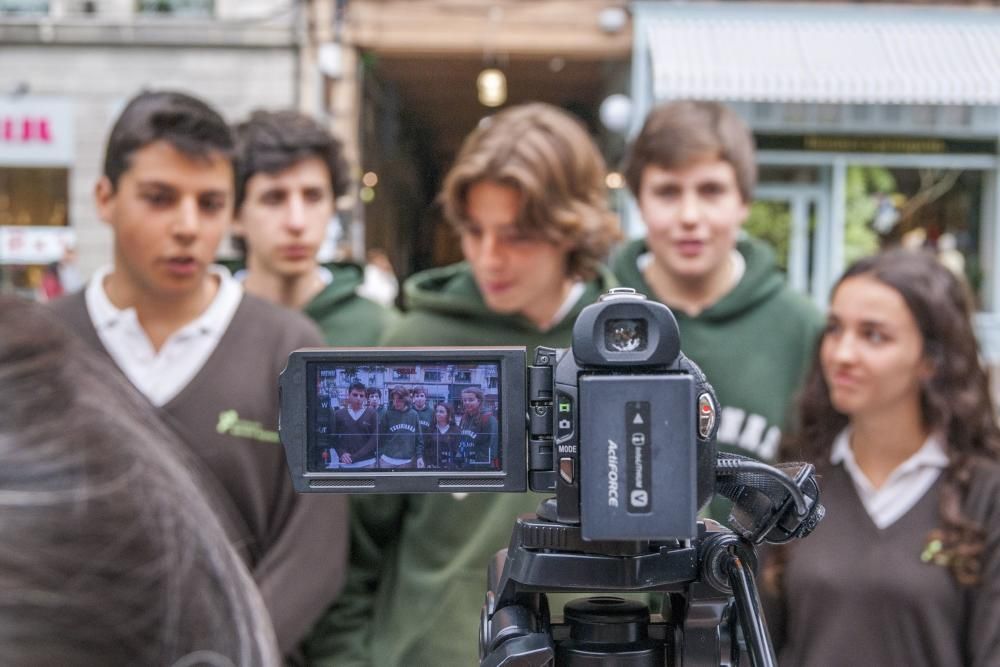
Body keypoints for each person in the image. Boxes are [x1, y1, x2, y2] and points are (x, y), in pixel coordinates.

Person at [304, 102, 621, 665]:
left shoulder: (632, 350)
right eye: (474, 230)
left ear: (572, 228)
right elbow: (350, 549)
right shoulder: (415, 344)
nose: (488, 257)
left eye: (517, 235)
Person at [47, 90, 347, 660]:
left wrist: (226, 653)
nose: (187, 226)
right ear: (105, 198)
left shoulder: (290, 349)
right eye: (159, 198)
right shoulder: (42, 345)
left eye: (209, 204)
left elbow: (314, 552)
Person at [0, 297, 279, 666]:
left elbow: (315, 546)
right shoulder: (50, 339)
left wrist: (231, 626)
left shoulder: (280, 338)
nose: (185, 235)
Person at [763, 249, 1000, 666]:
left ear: (931, 358)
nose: (842, 354)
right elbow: (758, 640)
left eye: (874, 335)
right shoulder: (794, 481)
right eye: (835, 330)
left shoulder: (986, 492)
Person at [613, 101, 822, 470]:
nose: (690, 216)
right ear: (639, 203)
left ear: (744, 201)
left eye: (711, 190)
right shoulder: (595, 316)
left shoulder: (804, 328)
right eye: (667, 192)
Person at [231, 108, 395, 345]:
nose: (297, 222)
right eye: (274, 198)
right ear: (235, 214)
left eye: (313, 197)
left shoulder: (382, 332)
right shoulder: (200, 323)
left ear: (333, 207)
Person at [319, 381, 378, 469]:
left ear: (365, 397)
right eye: (355, 395)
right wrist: (341, 453)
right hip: (345, 462)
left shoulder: (372, 414)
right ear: (348, 395)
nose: (358, 398)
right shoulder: (339, 414)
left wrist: (355, 456)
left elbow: (374, 439)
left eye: (361, 396)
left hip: (367, 462)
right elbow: (333, 437)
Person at [378, 384, 424, 469]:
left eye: (399, 399)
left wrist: (419, 456)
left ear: (406, 399)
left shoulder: (413, 415)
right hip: (387, 460)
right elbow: (380, 437)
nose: (396, 402)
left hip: (407, 461)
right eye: (394, 399)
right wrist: (380, 455)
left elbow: (419, 438)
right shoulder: (387, 414)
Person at [457, 386, 499, 468]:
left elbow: (493, 446)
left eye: (471, 400)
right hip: (466, 464)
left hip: (482, 466)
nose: (467, 402)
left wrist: (484, 465)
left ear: (479, 401)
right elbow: (462, 440)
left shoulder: (489, 419)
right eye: (464, 400)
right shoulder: (464, 418)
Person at [426, 400, 460, 468]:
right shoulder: (431, 429)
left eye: (441, 412)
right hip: (433, 467)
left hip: (450, 468)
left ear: (449, 414)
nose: (437, 414)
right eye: (436, 411)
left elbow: (457, 451)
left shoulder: (456, 431)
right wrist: (428, 463)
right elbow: (426, 449)